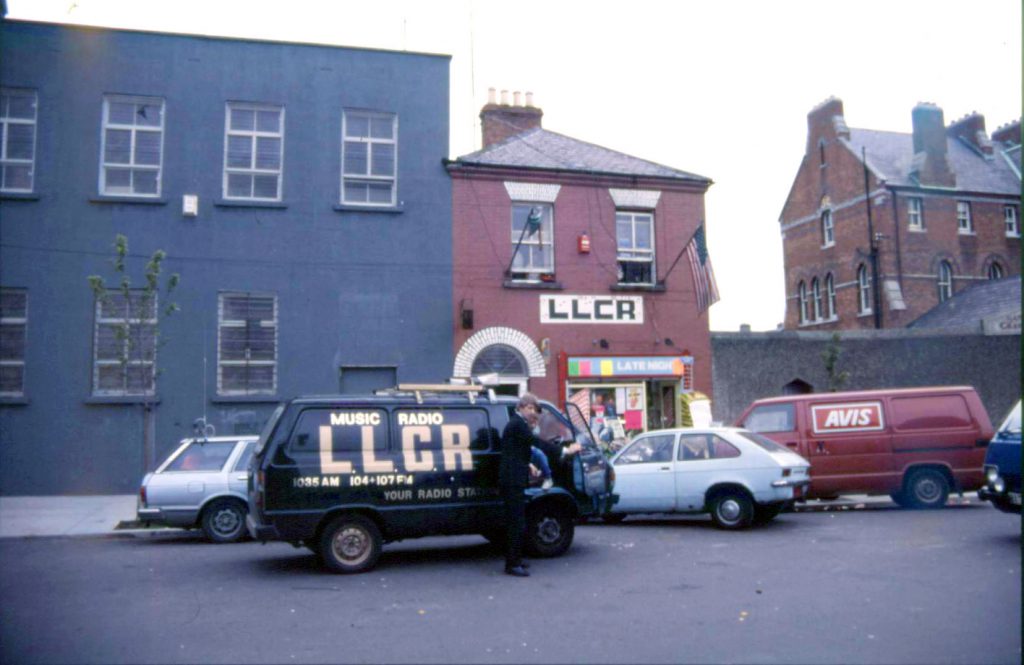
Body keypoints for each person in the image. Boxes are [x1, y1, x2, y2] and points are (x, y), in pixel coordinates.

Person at [499, 392, 581, 577]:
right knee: (516, 523)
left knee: (518, 521)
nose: (532, 413)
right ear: (522, 407)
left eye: (533, 410)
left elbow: (516, 450)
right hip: (512, 481)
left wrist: (528, 465)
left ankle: (516, 559)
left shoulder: (516, 424)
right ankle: (512, 565)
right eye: (529, 408)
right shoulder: (518, 424)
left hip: (514, 478)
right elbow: (536, 443)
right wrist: (565, 450)